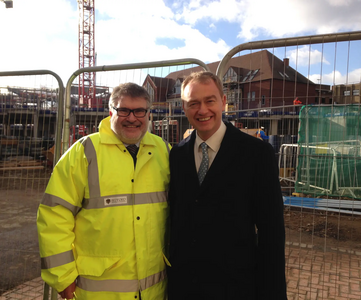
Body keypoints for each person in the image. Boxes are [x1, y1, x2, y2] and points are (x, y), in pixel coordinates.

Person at [37, 83, 170, 300]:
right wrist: (62, 276)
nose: (132, 118)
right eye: (123, 110)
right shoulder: (84, 152)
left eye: (139, 111)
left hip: (153, 290)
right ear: (110, 113)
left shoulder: (163, 151)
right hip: (98, 291)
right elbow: (54, 215)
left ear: (148, 114)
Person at [167, 71, 287, 299]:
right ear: (184, 107)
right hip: (185, 286)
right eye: (193, 103)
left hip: (235, 286)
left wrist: (273, 293)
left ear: (223, 101)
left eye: (209, 100)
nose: (202, 110)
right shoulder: (177, 154)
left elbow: (271, 232)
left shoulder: (256, 154)